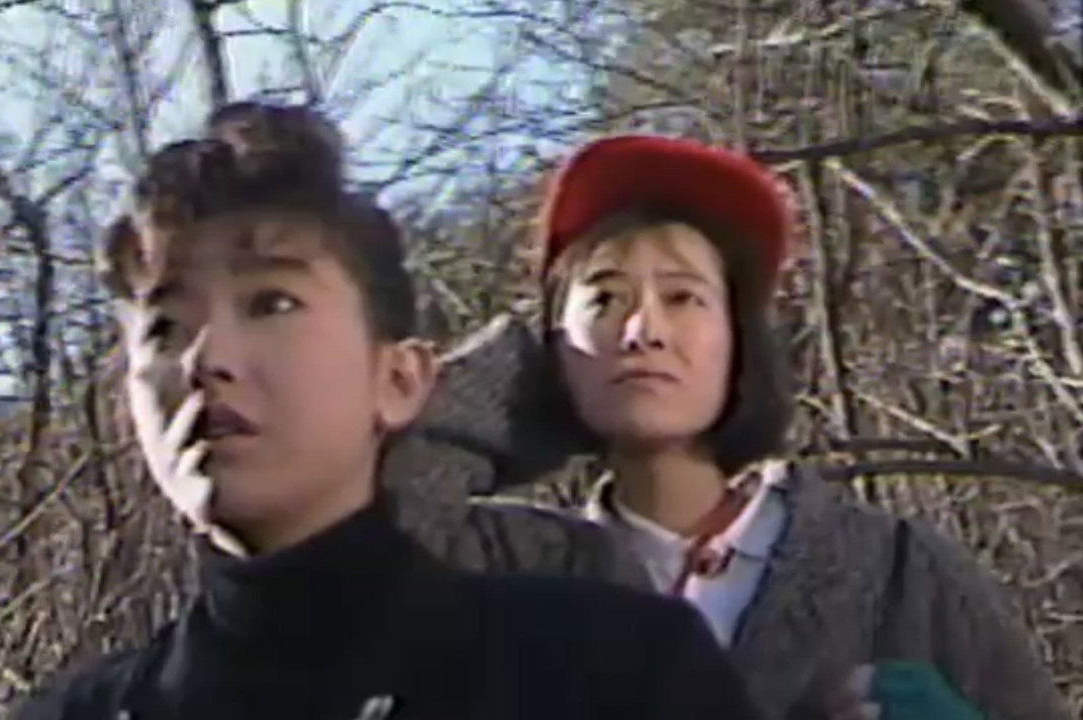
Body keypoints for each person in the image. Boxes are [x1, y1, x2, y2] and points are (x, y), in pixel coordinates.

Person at [9, 106, 759, 720]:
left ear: (399, 379)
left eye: (271, 303)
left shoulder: (610, 671)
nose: (206, 358)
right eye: (165, 328)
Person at [408, 135, 1071, 720]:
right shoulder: (508, 570)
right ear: (553, 345)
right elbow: (365, 521)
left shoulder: (902, 572)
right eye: (604, 298)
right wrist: (505, 383)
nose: (642, 331)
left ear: (740, 341)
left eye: (683, 296)